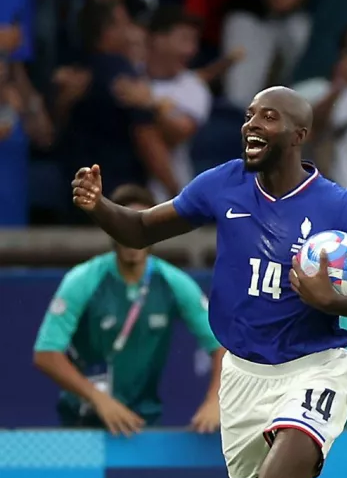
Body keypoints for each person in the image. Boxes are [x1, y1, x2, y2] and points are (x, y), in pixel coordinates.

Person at [70, 86, 347, 478]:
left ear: (298, 135)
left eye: (269, 117)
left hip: (314, 369)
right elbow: (140, 230)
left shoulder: (342, 208)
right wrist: (99, 205)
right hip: (242, 375)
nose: (251, 124)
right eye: (250, 115)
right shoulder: (224, 184)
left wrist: (332, 300)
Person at [33, 184, 223, 434]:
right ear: (110, 228)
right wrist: (99, 399)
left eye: (141, 227)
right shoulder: (83, 280)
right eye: (124, 226)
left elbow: (221, 343)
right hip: (82, 423)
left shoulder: (173, 282)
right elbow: (46, 353)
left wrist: (215, 401)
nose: (132, 237)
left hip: (142, 425)